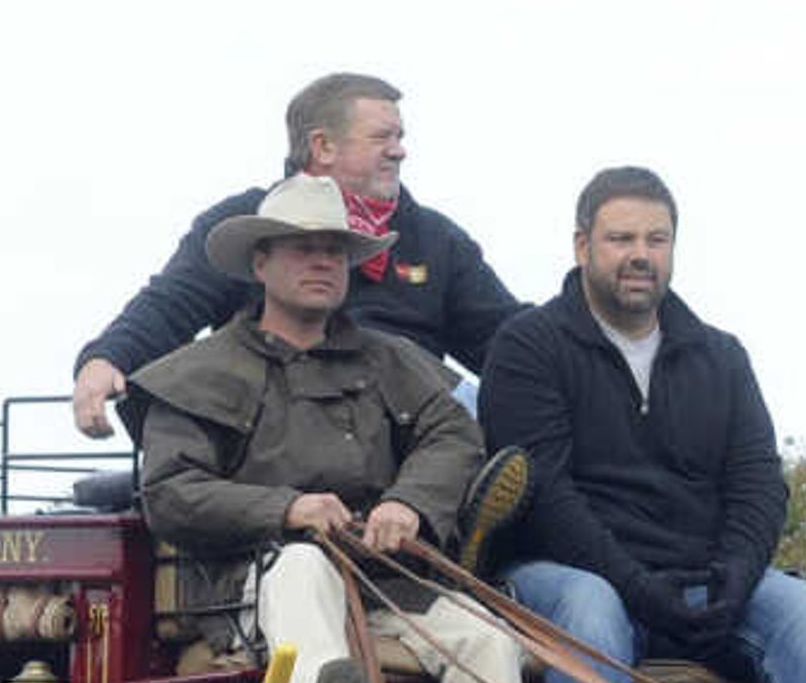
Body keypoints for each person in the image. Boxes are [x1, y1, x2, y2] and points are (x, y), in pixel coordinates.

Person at [479, 166, 806, 683]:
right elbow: (546, 495)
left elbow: (758, 482)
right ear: (582, 246)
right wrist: (642, 587)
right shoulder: (527, 346)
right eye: (621, 237)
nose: (640, 254)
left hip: (700, 577)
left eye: (656, 239)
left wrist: (734, 574)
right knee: (588, 603)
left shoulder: (719, 355)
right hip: (572, 573)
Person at [132, 171, 530, 683]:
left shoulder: (391, 360)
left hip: (385, 581)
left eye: (334, 251)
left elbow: (452, 435)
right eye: (301, 248)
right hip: (251, 584)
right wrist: (286, 508)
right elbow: (168, 491)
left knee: (490, 643)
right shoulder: (199, 371)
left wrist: (409, 501)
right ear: (260, 264)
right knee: (301, 567)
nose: (322, 263)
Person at [71, 70, 519, 436]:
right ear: (323, 146)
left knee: (480, 416)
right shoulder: (246, 222)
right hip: (279, 439)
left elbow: (507, 340)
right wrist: (106, 359)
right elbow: (172, 303)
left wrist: (579, 352)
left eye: (400, 136)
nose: (400, 150)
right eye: (382, 137)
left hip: (410, 438)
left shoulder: (434, 239)